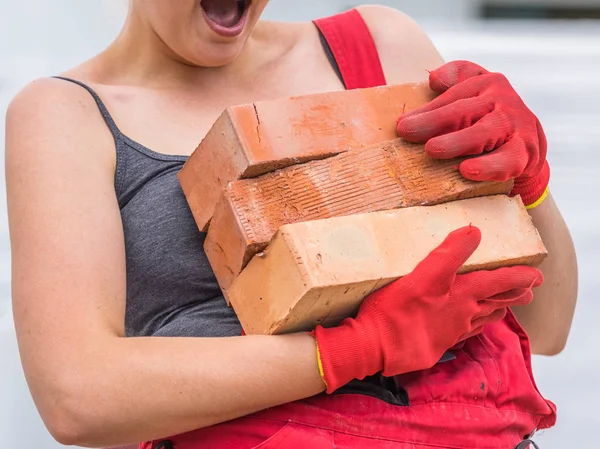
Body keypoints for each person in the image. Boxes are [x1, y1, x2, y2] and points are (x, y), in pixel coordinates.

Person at [5, 1, 578, 448]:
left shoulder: (377, 47)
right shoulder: (66, 115)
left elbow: (547, 329)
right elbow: (77, 397)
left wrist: (530, 184)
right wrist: (356, 348)